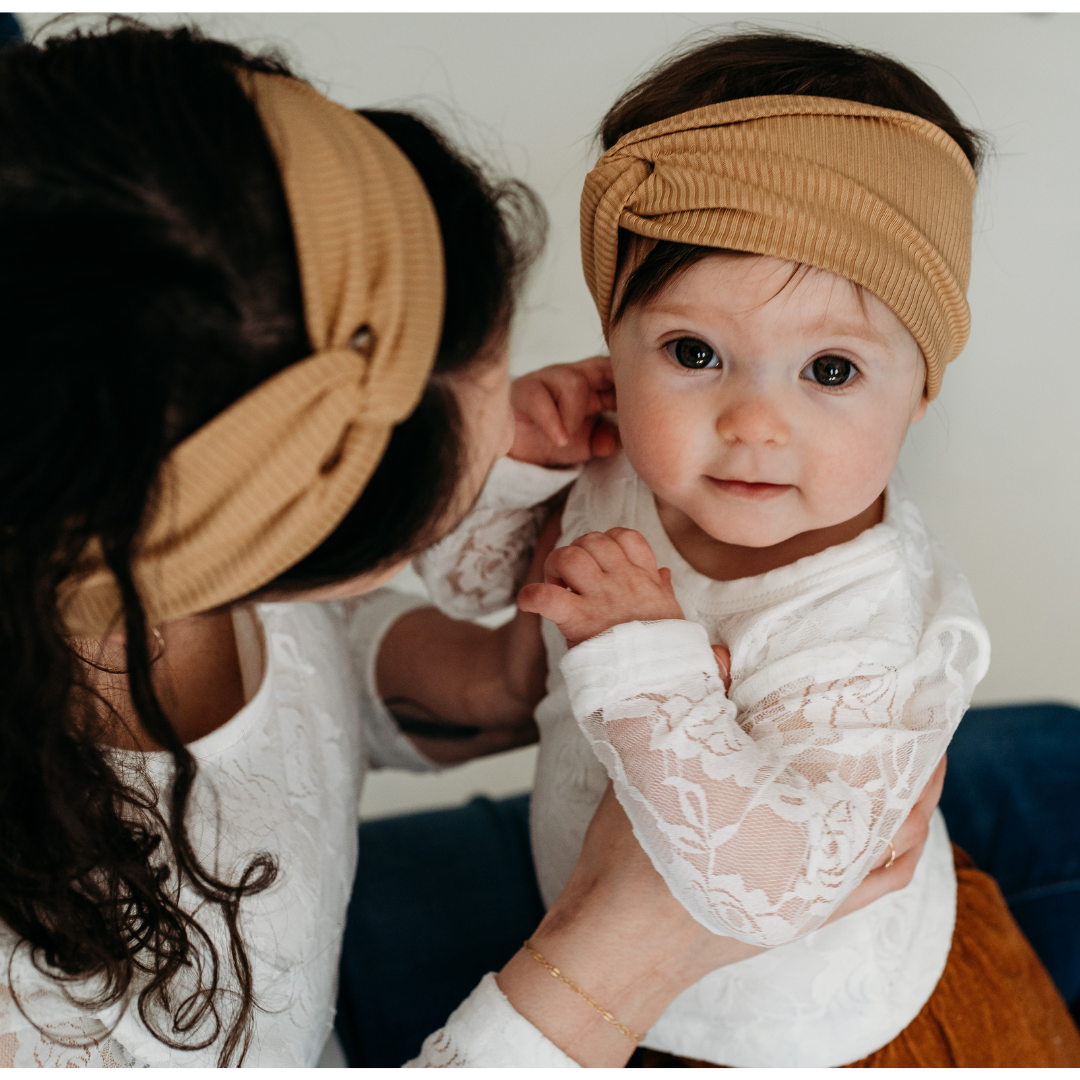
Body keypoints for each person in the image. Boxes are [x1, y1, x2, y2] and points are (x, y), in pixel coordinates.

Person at [0, 24, 935, 1070]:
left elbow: (303, 669)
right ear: (290, 524)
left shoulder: (100, 507)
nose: (530, 419)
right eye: (689, 354)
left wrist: (495, 673)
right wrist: (615, 960)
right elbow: (742, 883)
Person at [412, 32, 1080, 1069]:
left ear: (922, 385)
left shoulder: (872, 633)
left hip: (836, 1036)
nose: (753, 422)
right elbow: (469, 584)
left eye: (829, 368)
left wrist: (645, 659)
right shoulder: (617, 465)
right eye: (692, 353)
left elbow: (767, 889)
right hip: (617, 994)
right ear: (616, 339)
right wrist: (509, 466)